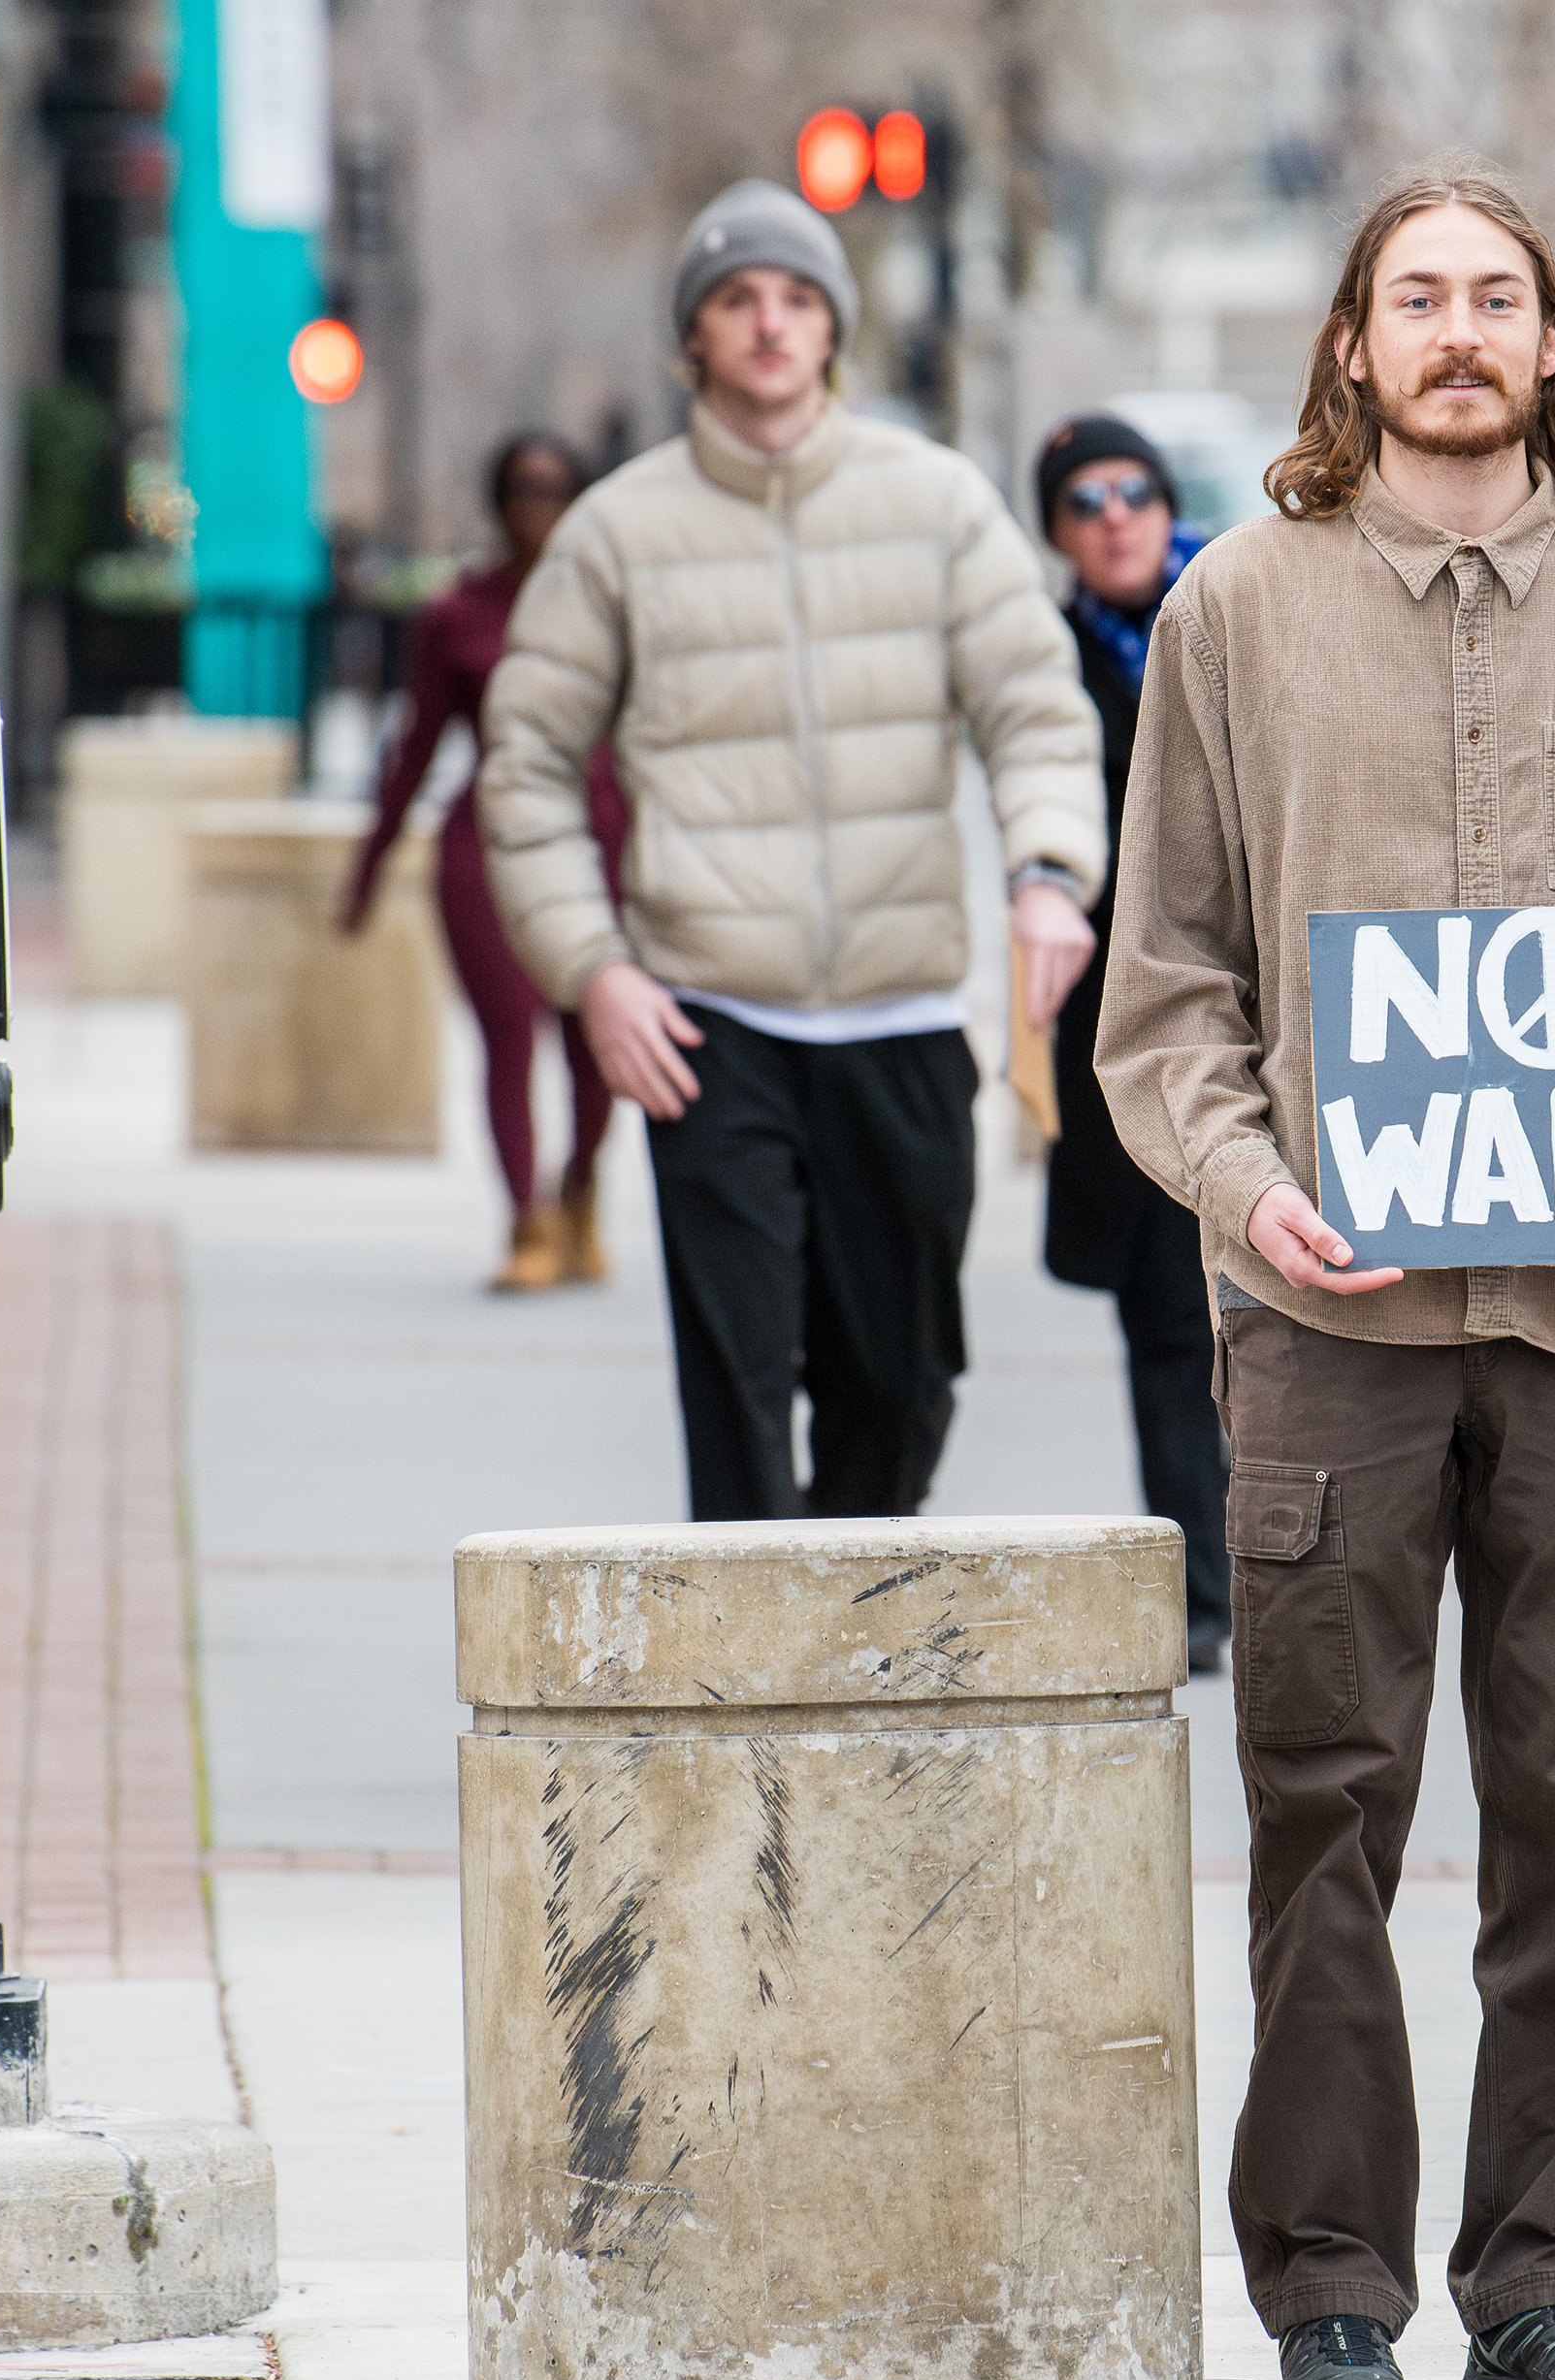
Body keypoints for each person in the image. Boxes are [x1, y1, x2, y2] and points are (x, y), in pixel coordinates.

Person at [1094, 162, 1555, 2380]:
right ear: (1352, 348)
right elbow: (1161, 993)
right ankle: (1327, 2296)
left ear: (1554, 345)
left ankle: (1547, 2278)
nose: (1460, 332)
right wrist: (1252, 1188)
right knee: (1324, 1805)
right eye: (1420, 299)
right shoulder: (1233, 613)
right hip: (1329, 1326)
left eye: (1498, 297)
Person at [477, 178, 1106, 1521]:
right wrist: (594, 971)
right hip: (709, 1024)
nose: (769, 324)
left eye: (797, 299)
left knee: (903, 1385)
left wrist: (1051, 875)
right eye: (736, 301)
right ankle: (746, 1712)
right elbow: (523, 762)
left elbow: (1037, 711)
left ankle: (844, 1647)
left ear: (835, 330)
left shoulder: (937, 504)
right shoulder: (617, 535)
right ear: (692, 339)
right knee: (740, 1391)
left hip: (904, 1012)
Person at [1031, 412, 1232, 1675]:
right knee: (1167, 1318)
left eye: (1134, 489)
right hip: (1129, 1035)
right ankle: (1209, 1593)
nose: (1114, 513)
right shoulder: (1044, 666)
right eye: (1083, 499)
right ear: (1057, 530)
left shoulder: (1235, 621)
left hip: (1269, 1017)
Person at [341, 434, 631, 1292]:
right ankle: (525, 1221)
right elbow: (417, 744)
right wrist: (370, 868)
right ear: (497, 501)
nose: (537, 504)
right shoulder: (454, 614)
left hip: (600, 836)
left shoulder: (614, 605)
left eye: (554, 487)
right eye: (521, 487)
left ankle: (579, 1191)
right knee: (507, 1038)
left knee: (595, 1040)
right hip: (487, 846)